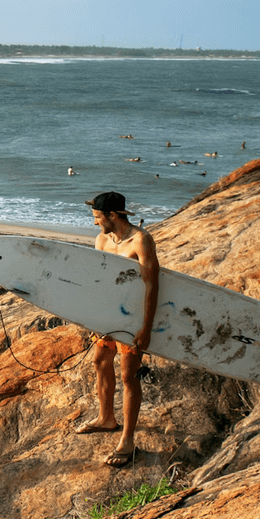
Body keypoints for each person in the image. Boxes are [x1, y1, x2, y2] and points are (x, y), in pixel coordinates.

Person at [76, 192, 160, 468]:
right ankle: (106, 418)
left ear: (113, 216)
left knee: (128, 375)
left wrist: (145, 327)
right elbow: (99, 280)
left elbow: (151, 285)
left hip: (132, 317)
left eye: (99, 218)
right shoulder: (102, 239)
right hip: (108, 314)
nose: (95, 224)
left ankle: (127, 439)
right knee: (100, 362)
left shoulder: (141, 240)